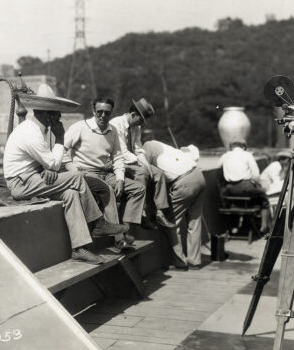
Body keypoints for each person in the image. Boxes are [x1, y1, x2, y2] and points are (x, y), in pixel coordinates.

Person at [3, 84, 128, 265]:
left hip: (33, 177)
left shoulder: (38, 129)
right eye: (56, 113)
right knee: (77, 177)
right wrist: (60, 138)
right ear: (46, 114)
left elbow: (47, 162)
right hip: (21, 183)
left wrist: (47, 169)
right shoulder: (30, 131)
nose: (59, 117)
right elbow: (53, 163)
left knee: (71, 194)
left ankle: (79, 248)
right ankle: (98, 223)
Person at [63, 97, 146, 241]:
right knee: (107, 190)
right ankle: (119, 240)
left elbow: (118, 157)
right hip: (86, 172)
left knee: (138, 189)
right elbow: (62, 149)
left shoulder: (112, 130)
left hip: (106, 173)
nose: (103, 116)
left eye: (107, 113)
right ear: (93, 111)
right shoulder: (80, 127)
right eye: (99, 112)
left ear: (111, 112)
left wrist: (120, 179)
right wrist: (72, 168)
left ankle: (127, 230)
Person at [109, 98, 176, 229]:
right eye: (141, 120)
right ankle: (142, 213)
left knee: (158, 173)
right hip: (117, 162)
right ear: (133, 115)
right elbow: (122, 152)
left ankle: (160, 212)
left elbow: (138, 148)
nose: (141, 124)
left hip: (131, 160)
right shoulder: (116, 124)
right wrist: (143, 166)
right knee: (142, 172)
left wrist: (146, 164)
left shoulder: (136, 126)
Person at [142, 140, 206, 270]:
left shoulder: (145, 149)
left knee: (170, 223)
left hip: (184, 182)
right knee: (194, 223)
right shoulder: (164, 147)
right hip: (198, 176)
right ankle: (195, 262)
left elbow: (146, 174)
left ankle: (180, 262)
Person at [217, 138, 271, 234]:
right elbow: (256, 174)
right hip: (245, 186)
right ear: (244, 146)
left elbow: (218, 167)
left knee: (237, 202)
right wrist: (258, 185)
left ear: (231, 146)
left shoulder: (225, 156)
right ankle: (264, 226)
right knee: (263, 197)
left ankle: (235, 226)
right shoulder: (247, 155)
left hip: (230, 188)